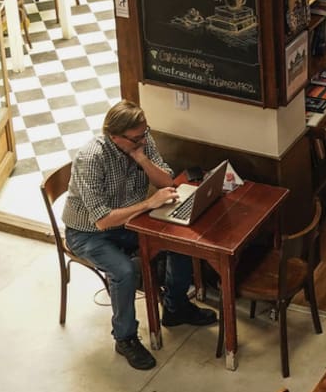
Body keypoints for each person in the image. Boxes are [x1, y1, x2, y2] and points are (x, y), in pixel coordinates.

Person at [62, 101, 218, 370]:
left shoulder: (140, 141)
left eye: (145, 133)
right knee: (124, 271)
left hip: (128, 223)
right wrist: (148, 204)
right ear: (115, 137)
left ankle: (175, 306)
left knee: (177, 238)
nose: (144, 139)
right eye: (136, 138)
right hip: (88, 233)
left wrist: (141, 157)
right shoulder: (91, 159)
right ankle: (125, 338)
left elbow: (166, 181)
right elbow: (101, 220)